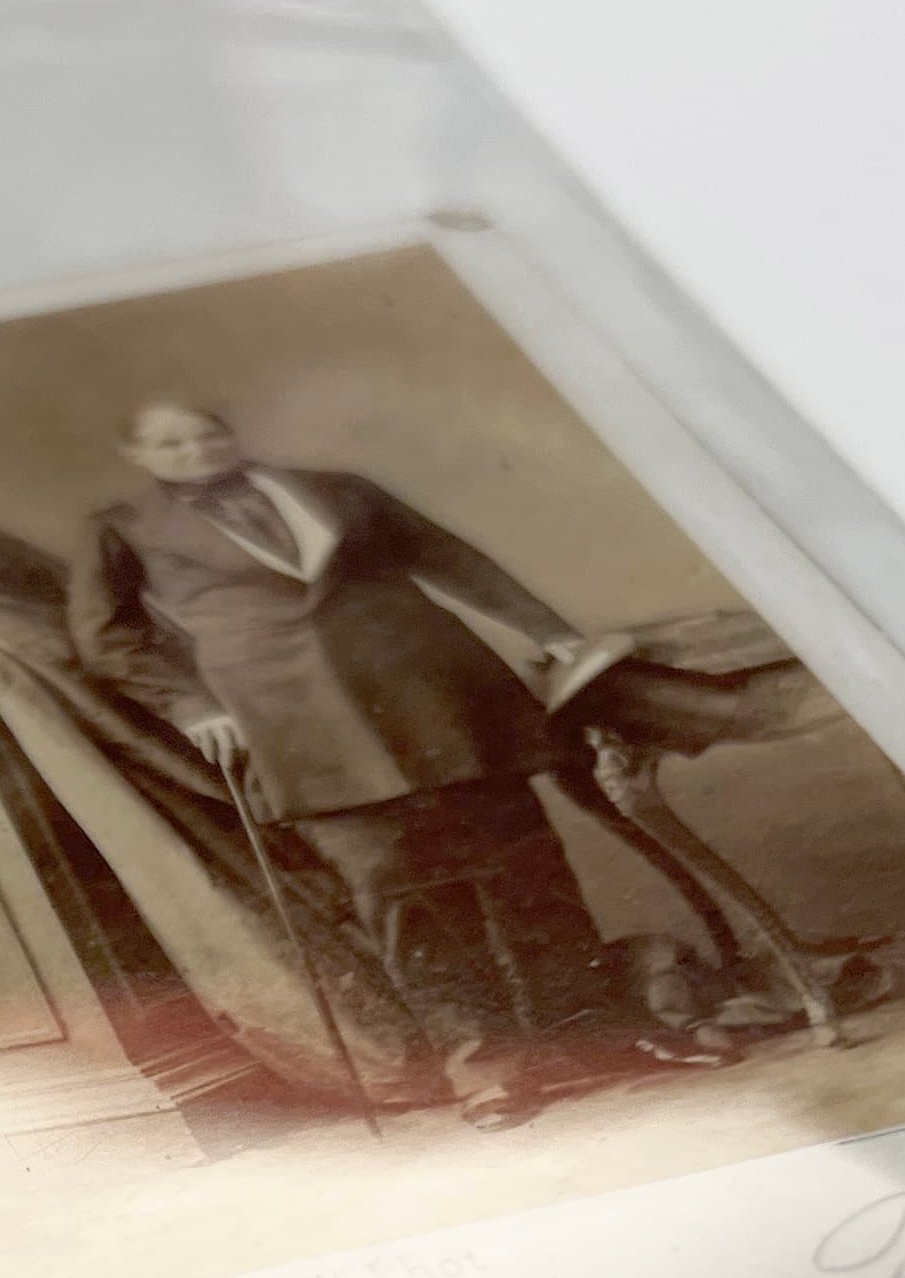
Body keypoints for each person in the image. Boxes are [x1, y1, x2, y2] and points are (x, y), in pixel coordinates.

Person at [66, 400, 728, 1128]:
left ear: (231, 432)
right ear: (137, 456)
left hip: (438, 700)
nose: (197, 450)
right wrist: (193, 708)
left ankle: (590, 1039)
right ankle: (487, 1072)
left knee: (529, 875)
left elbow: (451, 560)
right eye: (171, 444)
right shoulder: (123, 529)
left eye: (208, 433)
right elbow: (106, 638)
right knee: (406, 906)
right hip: (298, 728)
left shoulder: (338, 490)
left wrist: (553, 634)